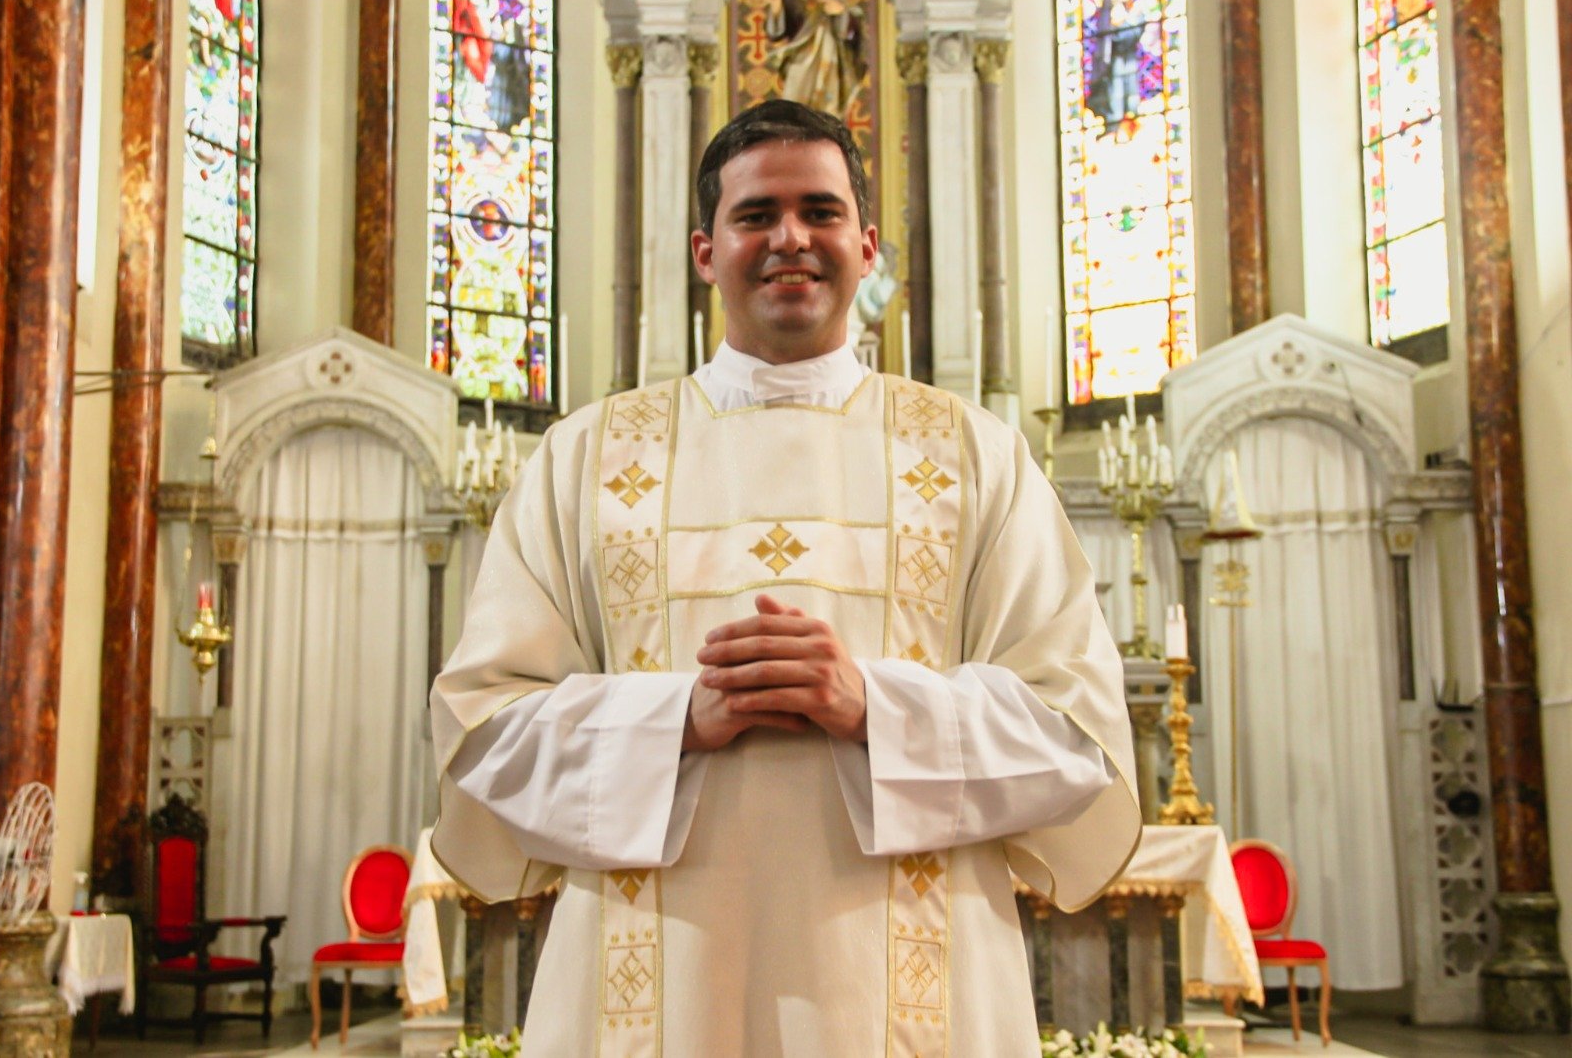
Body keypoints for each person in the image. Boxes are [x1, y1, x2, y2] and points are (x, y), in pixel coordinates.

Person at [430, 99, 1139, 1056]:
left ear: (867, 246)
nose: (791, 238)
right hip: (657, 997)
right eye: (756, 215)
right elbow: (482, 729)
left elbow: (1076, 732)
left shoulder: (977, 457)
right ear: (705, 250)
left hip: (915, 1001)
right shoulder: (585, 459)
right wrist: (677, 720)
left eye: (821, 211)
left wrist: (871, 706)